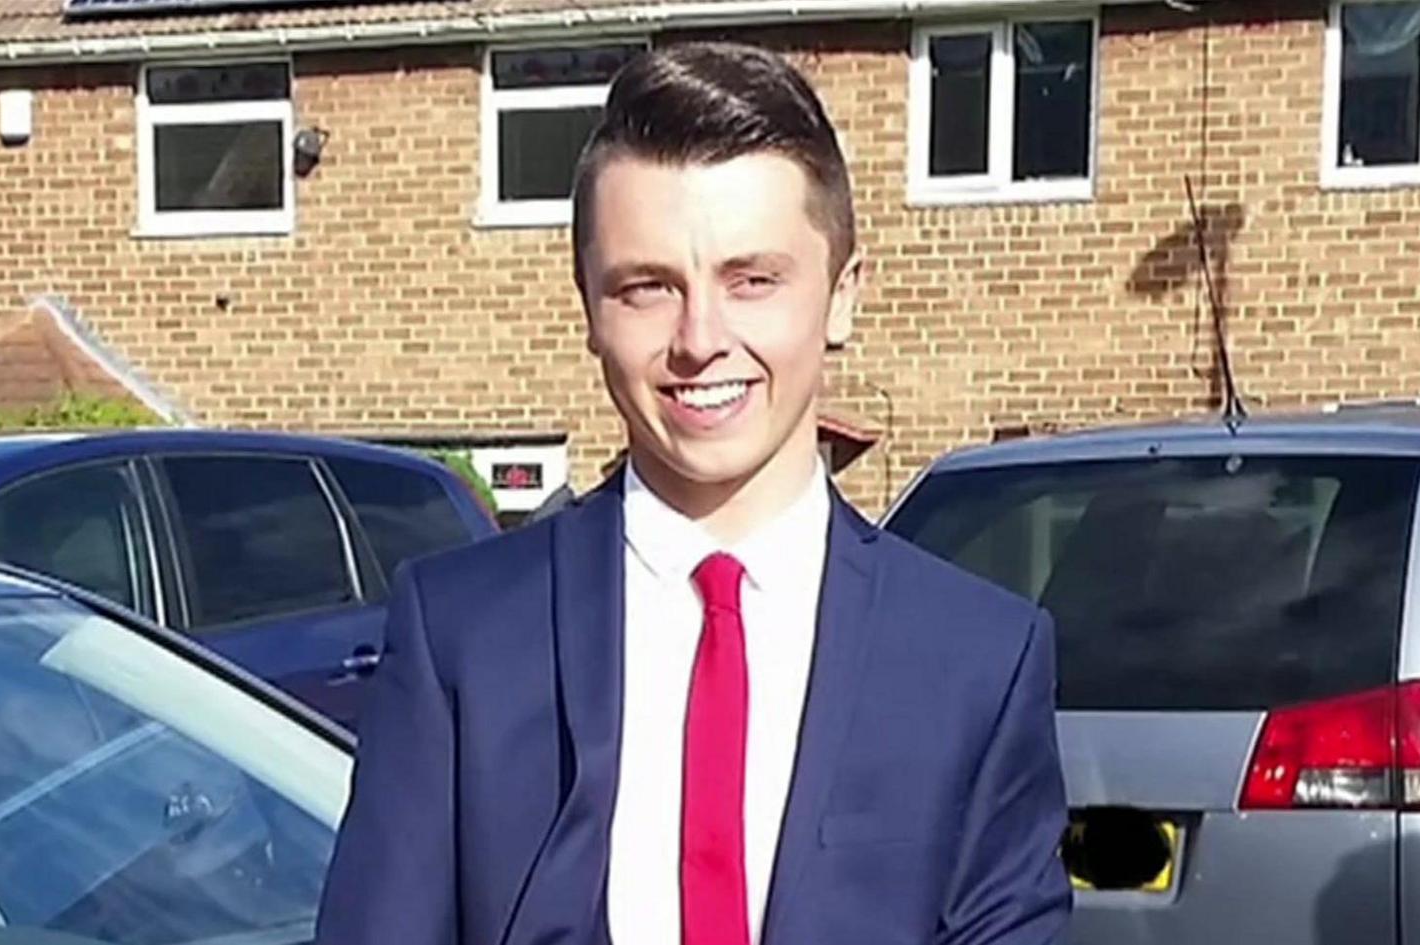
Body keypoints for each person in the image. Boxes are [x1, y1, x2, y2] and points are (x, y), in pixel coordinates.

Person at [316, 41, 1071, 945]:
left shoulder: (977, 660)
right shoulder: (463, 638)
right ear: (591, 308)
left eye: (753, 280)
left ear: (842, 297)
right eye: (647, 287)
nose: (700, 339)